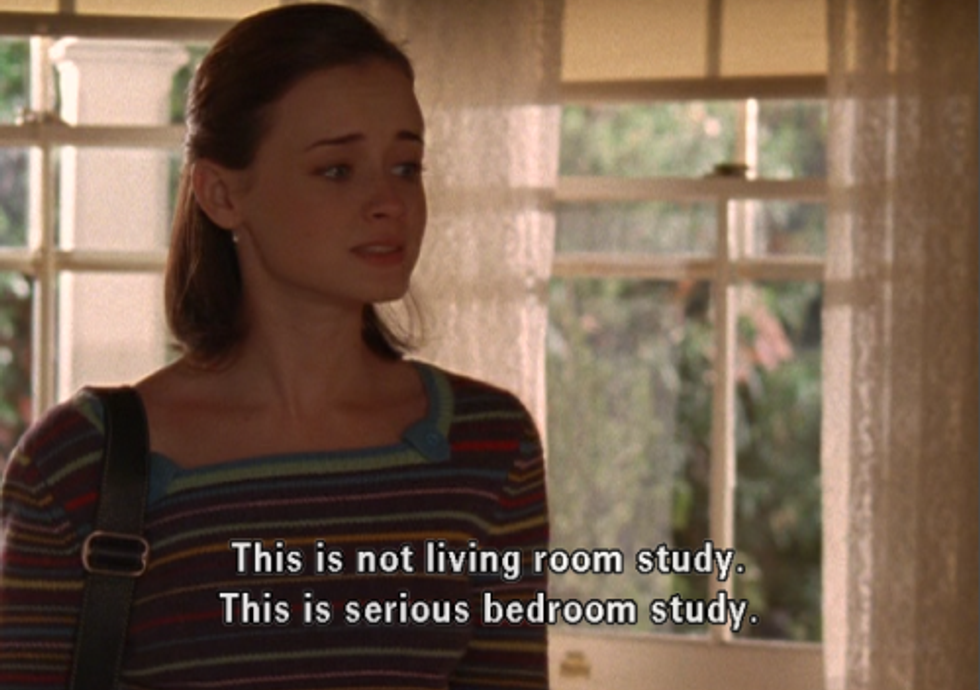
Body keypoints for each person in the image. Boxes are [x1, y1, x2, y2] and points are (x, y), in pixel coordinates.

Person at [0, 4, 549, 688]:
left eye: (406, 166)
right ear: (221, 194)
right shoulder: (79, 464)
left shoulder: (489, 444)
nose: (390, 202)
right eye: (337, 170)